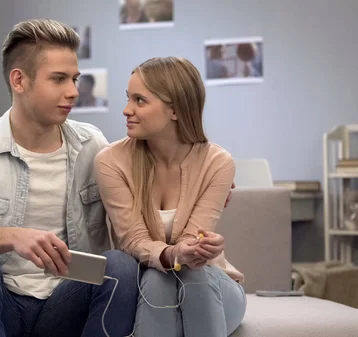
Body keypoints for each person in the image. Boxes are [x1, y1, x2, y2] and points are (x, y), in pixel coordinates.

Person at [0, 18, 138, 337]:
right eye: (59, 79)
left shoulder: (93, 145)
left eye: (75, 79)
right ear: (19, 80)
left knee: (119, 266)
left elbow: (136, 207)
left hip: (68, 301)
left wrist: (190, 180)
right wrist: (9, 236)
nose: (73, 91)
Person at [94, 56, 245, 337]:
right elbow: (132, 241)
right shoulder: (111, 162)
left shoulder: (218, 162)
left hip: (212, 286)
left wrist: (202, 248)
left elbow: (193, 239)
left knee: (192, 272)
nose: (127, 110)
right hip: (151, 288)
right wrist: (173, 254)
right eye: (128, 98)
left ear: (175, 110)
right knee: (156, 276)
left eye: (140, 100)